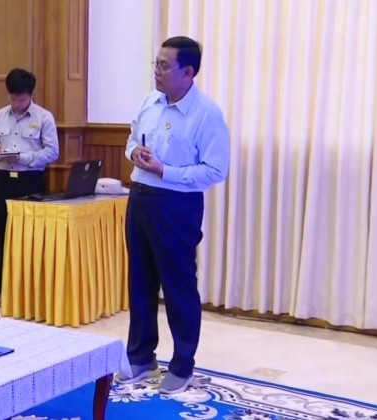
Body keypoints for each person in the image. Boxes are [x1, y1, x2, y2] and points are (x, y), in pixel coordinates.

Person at [117, 36, 230, 394]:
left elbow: (215, 170)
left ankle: (182, 365)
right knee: (140, 281)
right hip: (140, 200)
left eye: (165, 66)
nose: (157, 71)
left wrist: (165, 170)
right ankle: (140, 357)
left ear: (188, 72)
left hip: (177, 206)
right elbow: (131, 140)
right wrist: (134, 154)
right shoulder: (149, 102)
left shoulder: (207, 114)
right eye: (156, 63)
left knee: (178, 286)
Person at [0, 68, 59, 291]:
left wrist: (23, 158)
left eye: (22, 99)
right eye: (13, 98)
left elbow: (53, 152)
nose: (17, 104)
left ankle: (27, 287)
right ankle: (3, 286)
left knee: (29, 236)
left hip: (30, 181)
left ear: (31, 94)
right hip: (2, 180)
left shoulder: (44, 117)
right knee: (1, 232)